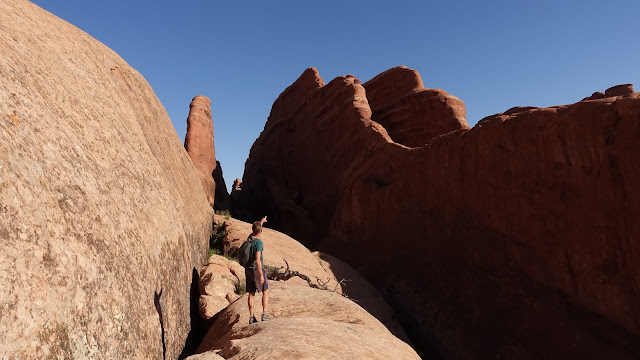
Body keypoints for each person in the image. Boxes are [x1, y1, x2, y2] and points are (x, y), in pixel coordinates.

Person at [246, 216, 269, 324]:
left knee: (251, 293)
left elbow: (257, 229)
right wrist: (260, 275)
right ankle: (264, 314)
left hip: (248, 269)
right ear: (261, 231)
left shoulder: (249, 238)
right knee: (265, 291)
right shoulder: (259, 243)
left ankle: (251, 317)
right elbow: (257, 259)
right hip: (256, 269)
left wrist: (261, 222)